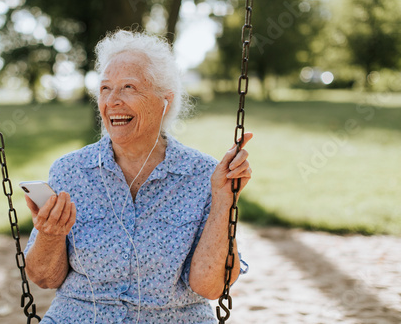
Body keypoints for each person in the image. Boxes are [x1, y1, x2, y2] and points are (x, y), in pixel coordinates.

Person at [24, 29, 253, 323]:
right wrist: (49, 234)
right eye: (105, 89)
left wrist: (224, 200)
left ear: (165, 101)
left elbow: (209, 286)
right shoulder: (70, 171)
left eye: (129, 87)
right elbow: (44, 278)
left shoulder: (202, 175)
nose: (113, 100)